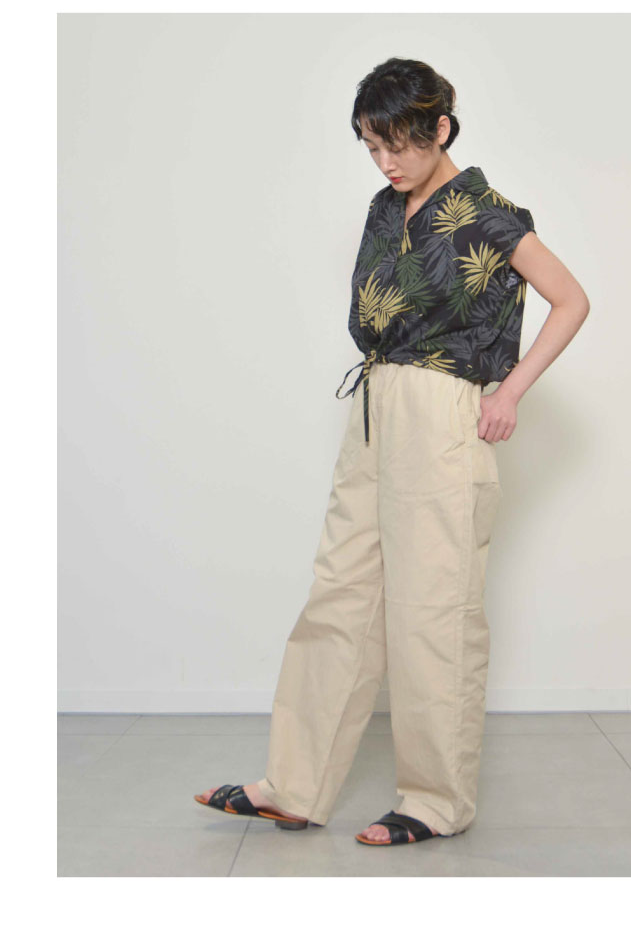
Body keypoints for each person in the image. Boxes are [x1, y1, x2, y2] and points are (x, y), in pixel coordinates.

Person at [195, 57, 590, 846]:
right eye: (374, 147)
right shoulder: (384, 208)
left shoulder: (488, 214)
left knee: (432, 608)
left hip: (444, 412)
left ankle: (434, 800)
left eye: (400, 144)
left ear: (441, 127)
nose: (387, 162)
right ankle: (294, 785)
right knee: (340, 592)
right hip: (375, 404)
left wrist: (509, 392)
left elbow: (571, 299)